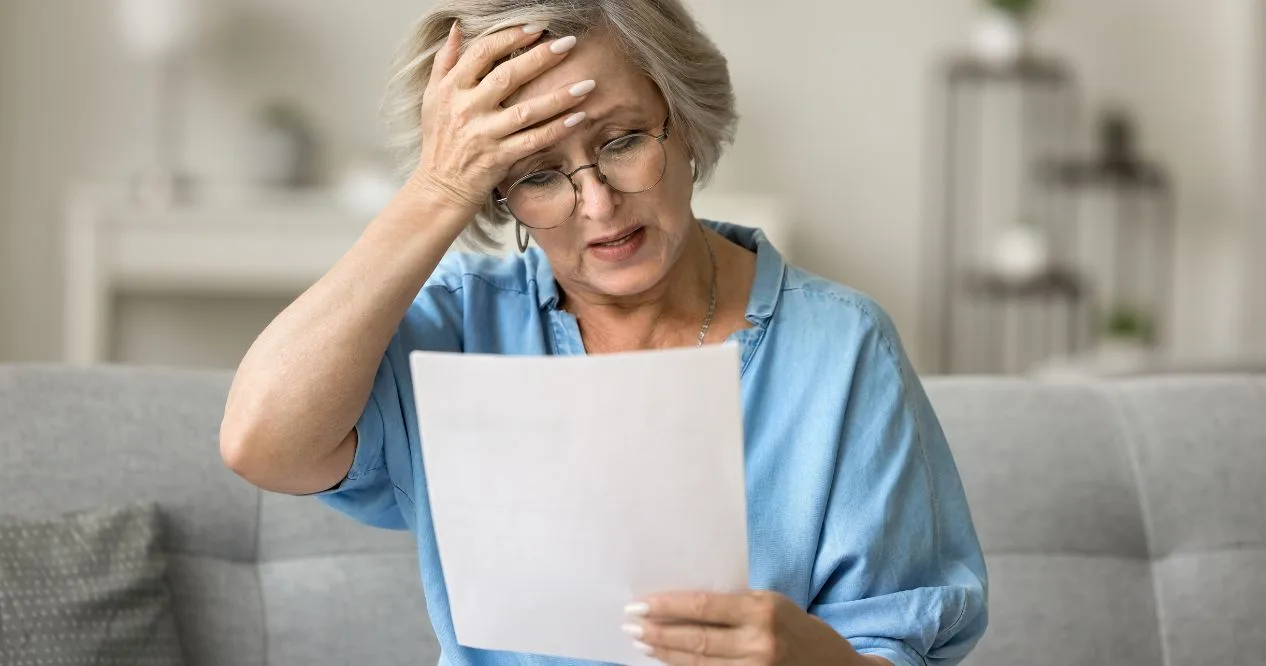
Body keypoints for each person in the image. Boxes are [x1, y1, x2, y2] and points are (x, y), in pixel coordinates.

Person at [220, 1, 989, 664]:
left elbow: (899, 640)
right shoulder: (459, 326)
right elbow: (262, 442)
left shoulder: (840, 348)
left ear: (685, 123)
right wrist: (437, 187)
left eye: (621, 142)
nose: (596, 205)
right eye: (536, 174)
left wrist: (813, 661)